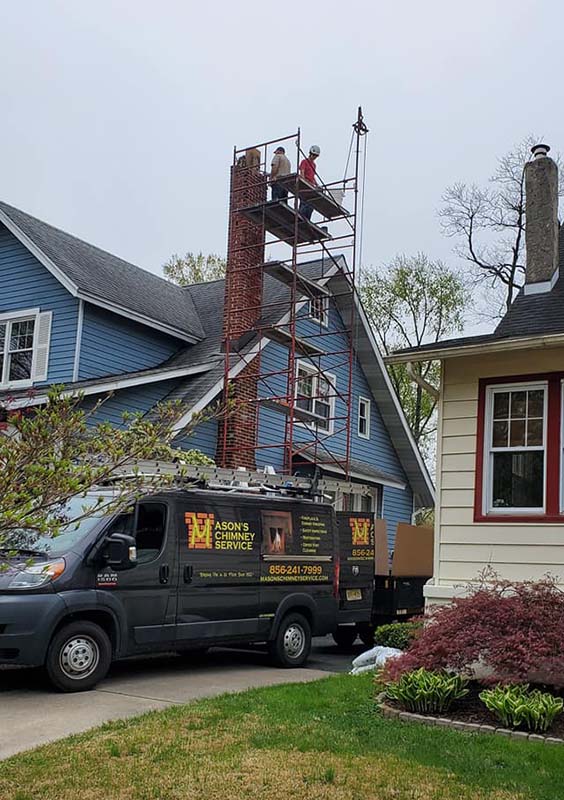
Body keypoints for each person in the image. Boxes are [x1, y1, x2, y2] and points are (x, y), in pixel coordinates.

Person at [299, 145, 320, 220]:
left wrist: (316, 184)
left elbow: (312, 176)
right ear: (310, 153)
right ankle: (301, 217)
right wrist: (304, 182)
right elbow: (302, 172)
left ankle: (307, 219)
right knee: (304, 203)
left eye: (316, 156)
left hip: (311, 186)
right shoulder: (304, 162)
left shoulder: (314, 165)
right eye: (313, 155)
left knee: (311, 204)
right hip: (305, 186)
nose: (314, 157)